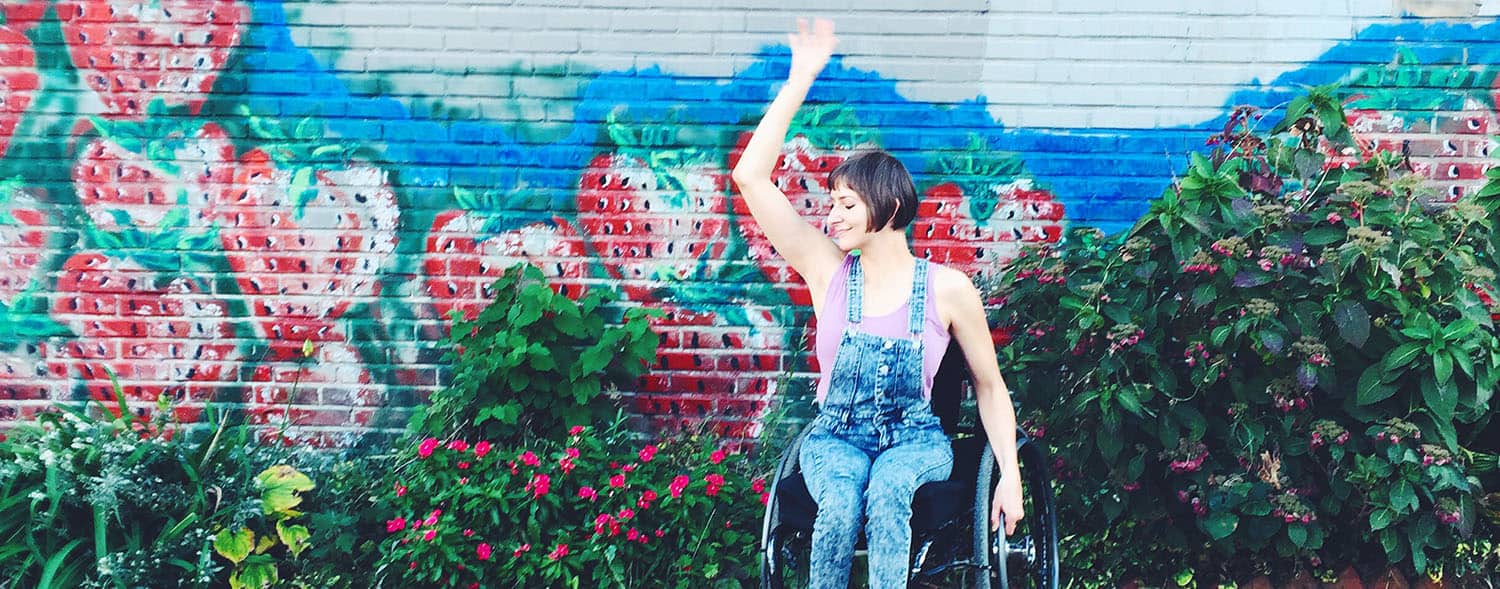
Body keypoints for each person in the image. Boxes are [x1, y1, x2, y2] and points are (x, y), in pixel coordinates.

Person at [729, 17, 1027, 589]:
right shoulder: (827, 270)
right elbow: (749, 177)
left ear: (887, 209)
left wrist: (1009, 473)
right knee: (839, 500)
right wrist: (799, 79)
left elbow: (991, 387)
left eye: (844, 204)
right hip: (836, 438)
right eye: (831, 204)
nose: (830, 216)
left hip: (916, 443)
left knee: (890, 489)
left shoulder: (947, 289)